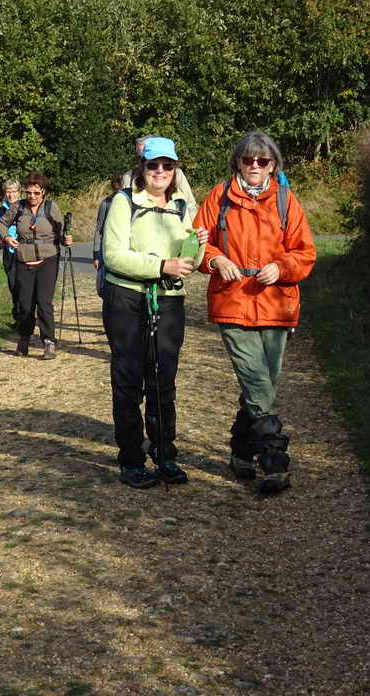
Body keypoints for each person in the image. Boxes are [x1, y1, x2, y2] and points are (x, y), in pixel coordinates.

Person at [194, 131, 316, 493]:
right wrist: (216, 261)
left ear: (273, 165)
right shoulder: (218, 197)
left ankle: (241, 452)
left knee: (261, 383)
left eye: (263, 161)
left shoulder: (285, 201)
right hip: (232, 302)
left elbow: (305, 252)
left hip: (276, 304)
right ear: (238, 162)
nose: (255, 166)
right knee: (257, 381)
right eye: (248, 159)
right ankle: (274, 460)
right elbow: (197, 243)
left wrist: (281, 268)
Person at [102, 137, 208, 489]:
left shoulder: (181, 205)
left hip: (168, 299)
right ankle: (132, 460)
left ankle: (165, 455)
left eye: (167, 165)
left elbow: (189, 259)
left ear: (175, 169)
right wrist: (161, 266)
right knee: (129, 380)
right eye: (153, 165)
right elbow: (113, 256)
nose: (160, 171)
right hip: (126, 298)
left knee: (163, 379)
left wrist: (199, 244)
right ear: (142, 167)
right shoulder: (124, 201)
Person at [0, 172, 72, 360]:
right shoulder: (18, 207)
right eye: (28, 192)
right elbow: (2, 224)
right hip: (24, 260)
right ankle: (25, 337)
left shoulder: (51, 207)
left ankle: (49, 341)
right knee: (25, 304)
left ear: (43, 192)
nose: (32, 196)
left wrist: (66, 239)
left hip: (48, 260)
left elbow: (61, 232)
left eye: (36, 193)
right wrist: (6, 237)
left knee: (44, 302)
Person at [122, 134, 198, 213]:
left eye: (167, 165)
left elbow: (190, 205)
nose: (160, 170)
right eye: (140, 156)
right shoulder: (128, 177)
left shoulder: (177, 175)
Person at [0, 179, 22, 322]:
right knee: (13, 284)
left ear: (19, 192)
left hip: (24, 250)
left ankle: (26, 316)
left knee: (24, 285)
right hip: (9, 252)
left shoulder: (25, 207)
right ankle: (18, 316)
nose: (11, 195)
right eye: (8, 191)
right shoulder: (2, 209)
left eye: (14, 191)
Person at [93, 173, 124, 295]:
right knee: (103, 285)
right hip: (106, 248)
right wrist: (96, 254)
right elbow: (98, 230)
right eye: (115, 189)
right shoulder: (105, 203)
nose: (118, 191)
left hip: (122, 248)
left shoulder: (129, 203)